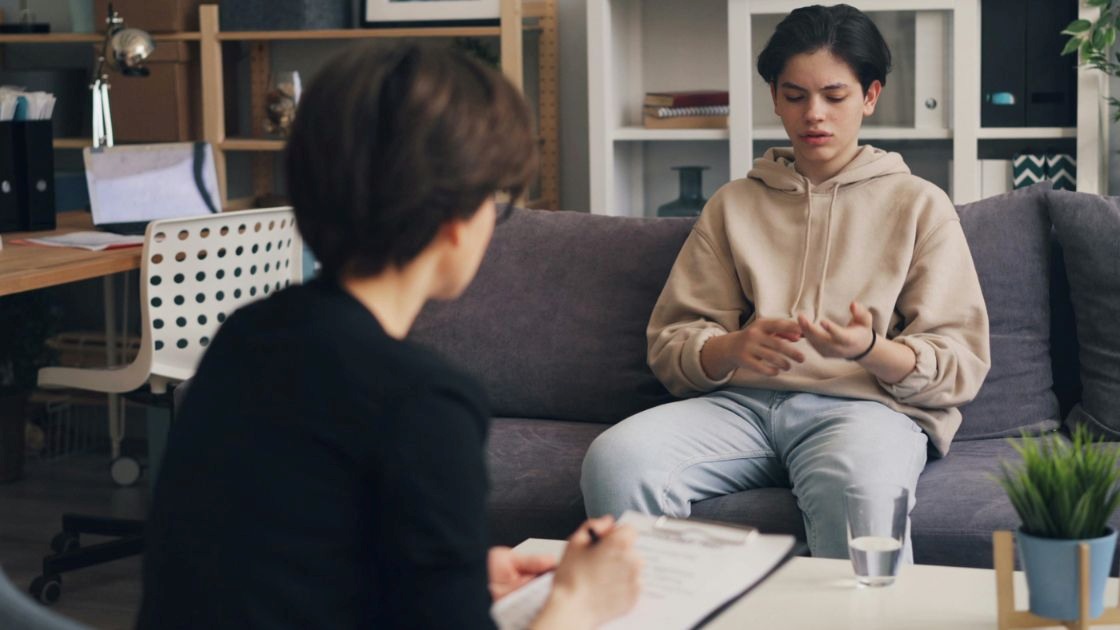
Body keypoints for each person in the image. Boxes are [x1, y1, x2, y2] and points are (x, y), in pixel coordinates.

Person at [138, 42, 641, 629]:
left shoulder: (249, 335)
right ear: (454, 225)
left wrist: (458, 575)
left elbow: (268, 563)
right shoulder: (423, 402)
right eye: (494, 203)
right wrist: (580, 604)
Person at [581, 3, 991, 561]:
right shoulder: (734, 204)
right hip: (740, 408)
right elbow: (672, 340)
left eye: (835, 96)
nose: (813, 114)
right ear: (774, 98)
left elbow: (960, 364)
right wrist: (730, 348)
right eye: (795, 96)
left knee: (862, 494)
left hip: (865, 412)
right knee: (616, 459)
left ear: (870, 96)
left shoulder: (919, 205)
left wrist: (872, 350)